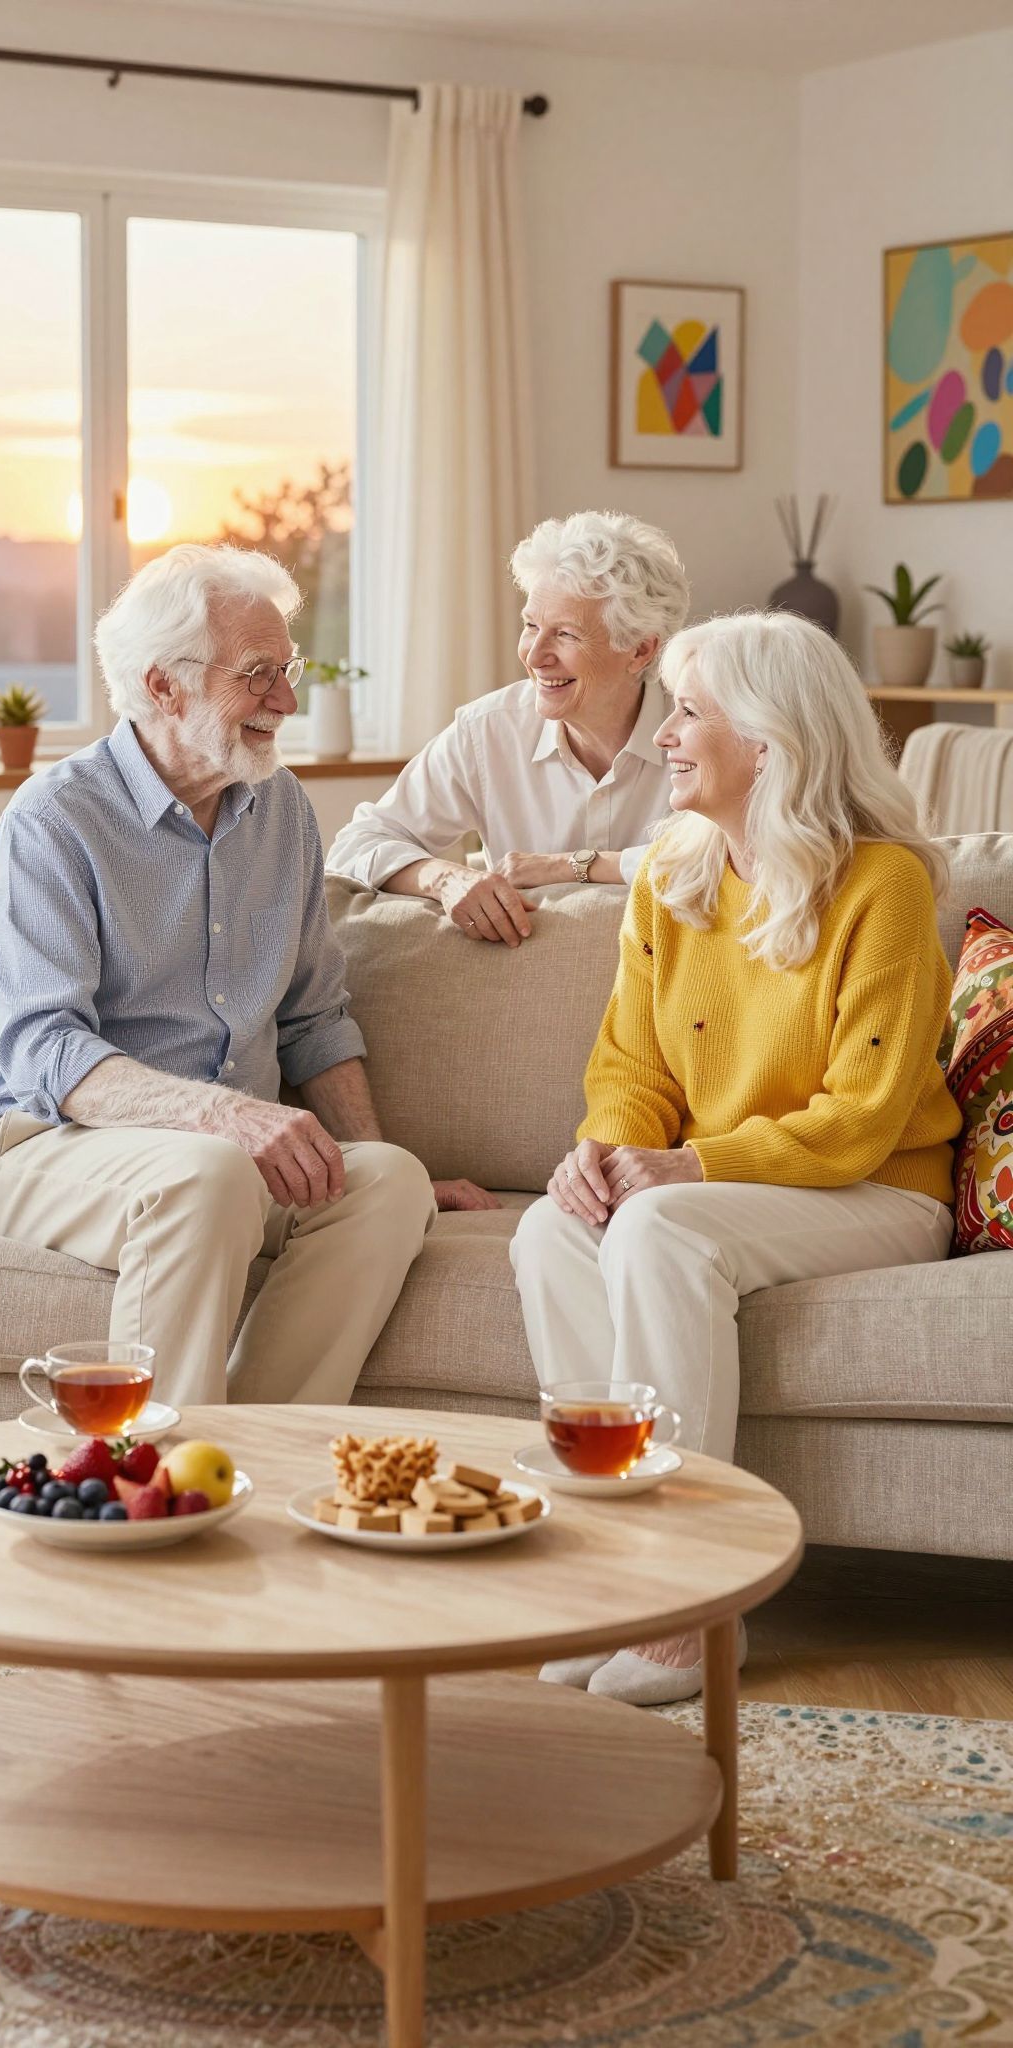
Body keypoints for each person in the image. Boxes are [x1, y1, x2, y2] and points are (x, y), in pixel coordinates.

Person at [511, 610, 962, 1706]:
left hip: (874, 1189)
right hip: (731, 1182)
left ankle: (695, 1610)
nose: (663, 734)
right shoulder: (675, 869)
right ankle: (612, 1572)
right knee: (551, 1225)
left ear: (766, 739)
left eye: (689, 711)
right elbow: (632, 1064)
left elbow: (861, 1116)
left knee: (660, 1227)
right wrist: (605, 1152)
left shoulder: (884, 882)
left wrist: (684, 1171)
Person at [0, 544, 436, 1408]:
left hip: (223, 1151)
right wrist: (223, 1116)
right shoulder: (54, 819)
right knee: (208, 1173)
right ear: (162, 685)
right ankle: (156, 1479)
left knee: (390, 1181)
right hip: (46, 1143)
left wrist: (361, 1144)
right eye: (258, 675)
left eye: (285, 671)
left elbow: (312, 1019)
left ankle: (254, 1456)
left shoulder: (282, 810)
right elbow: (42, 1047)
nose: (285, 700)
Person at [326, 509, 690, 947]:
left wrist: (575, 865)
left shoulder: (705, 730)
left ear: (639, 649)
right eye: (531, 626)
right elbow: (356, 845)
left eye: (566, 635)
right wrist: (444, 877)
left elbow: (741, 862)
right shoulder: (488, 731)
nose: (535, 656)